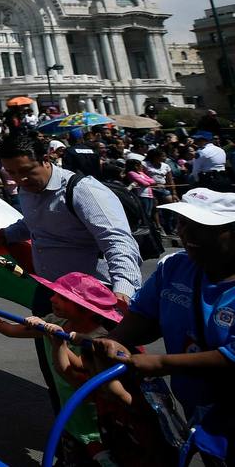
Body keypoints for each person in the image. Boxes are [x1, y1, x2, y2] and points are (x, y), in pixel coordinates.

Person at [0, 127, 142, 412]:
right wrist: (6, 235)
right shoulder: (27, 191)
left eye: (26, 171)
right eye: (11, 173)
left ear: (47, 160)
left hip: (91, 304)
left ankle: (113, 432)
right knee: (57, 369)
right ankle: (70, 428)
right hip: (51, 293)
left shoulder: (84, 191)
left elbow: (118, 242)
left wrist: (122, 291)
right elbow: (32, 224)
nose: (19, 180)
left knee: (101, 379)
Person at [90, 188, 235, 464]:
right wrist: (114, 341)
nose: (187, 233)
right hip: (199, 408)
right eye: (182, 223)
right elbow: (145, 317)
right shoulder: (174, 268)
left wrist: (161, 363)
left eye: (203, 227)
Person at [0, 272, 128, 463]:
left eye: (63, 297)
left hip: (96, 424)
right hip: (71, 419)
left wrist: (56, 339)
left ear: (86, 309)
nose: (52, 299)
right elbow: (9, 329)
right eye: (55, 294)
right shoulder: (56, 322)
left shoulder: (99, 342)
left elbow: (75, 375)